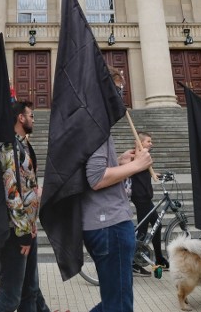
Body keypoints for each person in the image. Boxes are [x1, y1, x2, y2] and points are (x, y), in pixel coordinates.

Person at [0, 102, 54, 312]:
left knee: (30, 292)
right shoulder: (8, 147)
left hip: (28, 228)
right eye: (31, 115)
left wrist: (32, 224)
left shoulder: (23, 144)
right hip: (16, 232)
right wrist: (24, 233)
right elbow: (12, 192)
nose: (34, 119)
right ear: (20, 117)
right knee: (9, 299)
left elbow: (27, 186)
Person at [80, 101, 153, 311]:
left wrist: (120, 162)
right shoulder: (97, 129)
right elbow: (96, 178)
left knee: (114, 300)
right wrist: (136, 165)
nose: (120, 99)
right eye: (116, 91)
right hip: (109, 224)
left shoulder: (90, 126)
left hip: (104, 223)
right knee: (118, 305)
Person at [129, 131, 167, 273]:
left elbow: (145, 171)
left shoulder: (142, 158)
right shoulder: (136, 157)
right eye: (148, 141)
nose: (151, 144)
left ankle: (159, 258)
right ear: (140, 143)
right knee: (142, 231)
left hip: (145, 196)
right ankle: (133, 261)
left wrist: (154, 173)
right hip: (141, 197)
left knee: (156, 225)